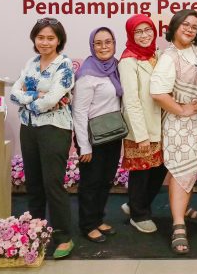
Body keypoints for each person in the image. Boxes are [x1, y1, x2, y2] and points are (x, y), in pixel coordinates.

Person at [10, 17, 75, 259]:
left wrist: (31, 99)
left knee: (52, 184)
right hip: (28, 128)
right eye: (40, 37)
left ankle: (64, 236)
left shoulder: (64, 65)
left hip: (54, 129)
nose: (45, 42)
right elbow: (14, 93)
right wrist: (37, 96)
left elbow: (51, 100)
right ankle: (35, 231)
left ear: (59, 40)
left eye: (50, 38)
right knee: (34, 183)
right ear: (34, 39)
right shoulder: (31, 62)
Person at [150, 9, 197, 255]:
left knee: (191, 169)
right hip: (179, 124)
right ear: (174, 27)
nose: (190, 29)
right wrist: (182, 110)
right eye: (185, 24)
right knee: (181, 170)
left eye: (194, 26)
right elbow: (158, 93)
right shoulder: (169, 57)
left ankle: (182, 209)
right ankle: (178, 225)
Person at [72, 27, 123, 244]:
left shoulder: (116, 68)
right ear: (92, 46)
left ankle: (98, 219)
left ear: (114, 43)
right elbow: (79, 112)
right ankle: (87, 225)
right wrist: (84, 146)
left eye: (108, 42)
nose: (104, 47)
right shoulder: (87, 74)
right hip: (92, 137)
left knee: (105, 180)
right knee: (91, 183)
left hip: (112, 133)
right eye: (98, 43)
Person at [119, 14, 167, 234]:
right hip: (142, 127)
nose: (144, 35)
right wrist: (141, 135)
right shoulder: (128, 60)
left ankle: (135, 205)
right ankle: (139, 216)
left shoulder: (157, 55)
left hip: (161, 124)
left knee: (159, 168)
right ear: (131, 34)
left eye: (148, 30)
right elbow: (131, 101)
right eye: (138, 32)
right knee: (141, 172)